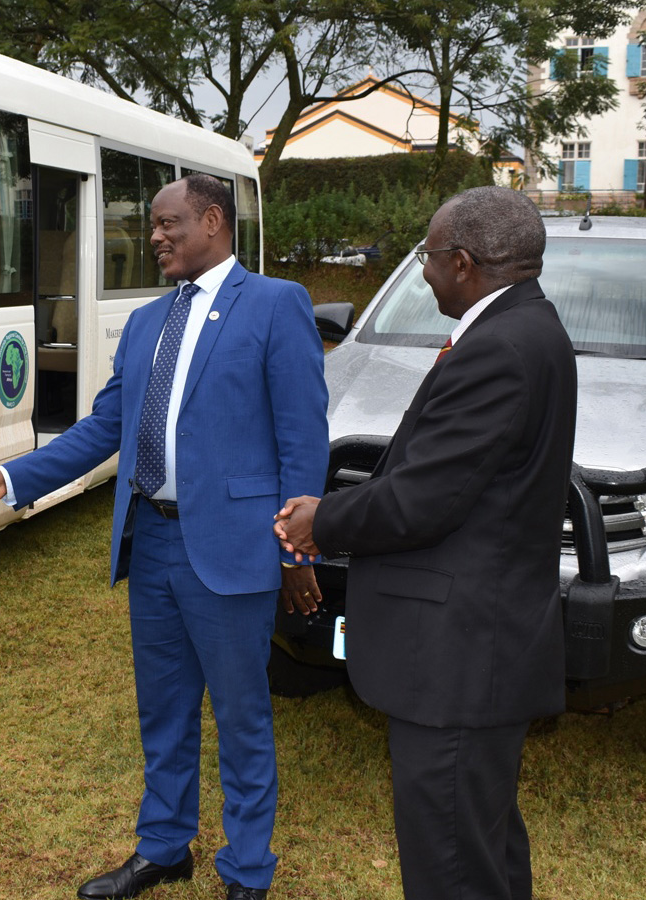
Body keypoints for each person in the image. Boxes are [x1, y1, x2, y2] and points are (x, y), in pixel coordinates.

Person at [0, 173, 329, 900]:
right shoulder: (149, 320)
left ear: (214, 221)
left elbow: (301, 443)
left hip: (230, 548)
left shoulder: (276, 304)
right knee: (162, 710)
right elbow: (104, 428)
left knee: (242, 716)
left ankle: (247, 872)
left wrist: (294, 550)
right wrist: (16, 478)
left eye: (168, 223)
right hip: (152, 545)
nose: (154, 236)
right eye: (151, 225)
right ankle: (165, 846)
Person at [274, 186, 576, 900]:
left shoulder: (501, 346)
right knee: (480, 844)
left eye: (428, 257)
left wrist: (323, 519)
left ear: (464, 263)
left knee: (450, 863)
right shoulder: (528, 327)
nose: (424, 271)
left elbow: (423, 498)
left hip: (460, 658)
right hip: (481, 645)